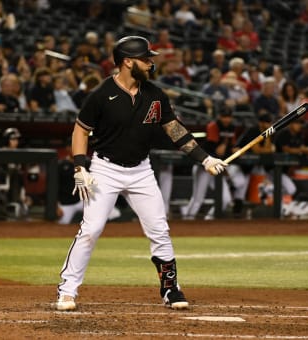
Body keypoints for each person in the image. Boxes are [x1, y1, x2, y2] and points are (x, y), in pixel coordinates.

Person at [56, 36, 227, 311]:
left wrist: (204, 158)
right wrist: (80, 165)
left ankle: (171, 290)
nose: (151, 63)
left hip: (141, 171)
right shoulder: (102, 94)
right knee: (91, 229)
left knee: (160, 230)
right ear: (127, 61)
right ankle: (67, 290)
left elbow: (175, 130)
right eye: (146, 59)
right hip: (105, 169)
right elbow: (80, 130)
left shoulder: (155, 95)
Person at [180, 105, 235, 220]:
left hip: (218, 167)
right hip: (204, 165)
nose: (226, 119)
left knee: (226, 199)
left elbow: (227, 149)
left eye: (228, 116)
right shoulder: (213, 126)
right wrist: (227, 148)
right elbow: (214, 149)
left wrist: (229, 149)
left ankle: (208, 219)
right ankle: (187, 221)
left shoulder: (231, 127)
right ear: (219, 116)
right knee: (198, 198)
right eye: (224, 116)